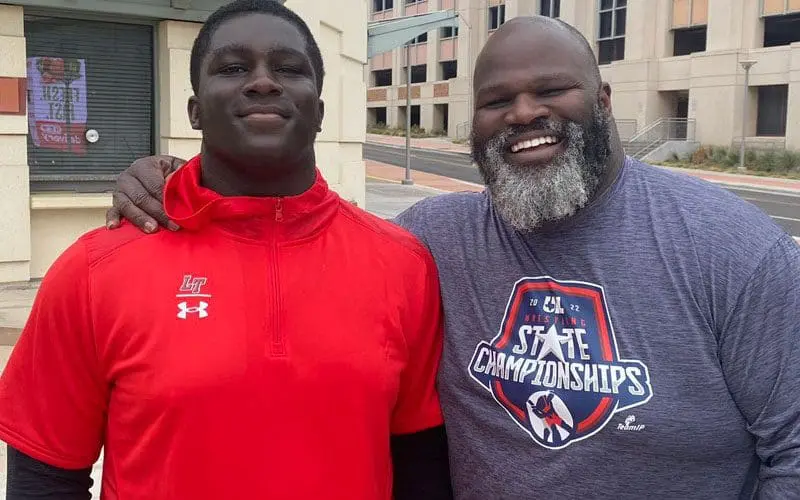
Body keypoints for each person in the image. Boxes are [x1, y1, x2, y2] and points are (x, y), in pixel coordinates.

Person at [106, 15, 800, 499]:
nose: (523, 114)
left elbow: (791, 454)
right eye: (497, 101)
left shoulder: (733, 251)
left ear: (604, 99)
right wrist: (176, 180)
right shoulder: (429, 243)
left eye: (550, 90)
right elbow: (302, 239)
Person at [0, 1, 453, 498]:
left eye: (289, 68)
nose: (263, 82)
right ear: (195, 111)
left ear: (320, 111)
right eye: (233, 68)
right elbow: (44, 477)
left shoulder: (403, 264)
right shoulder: (93, 270)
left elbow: (420, 462)